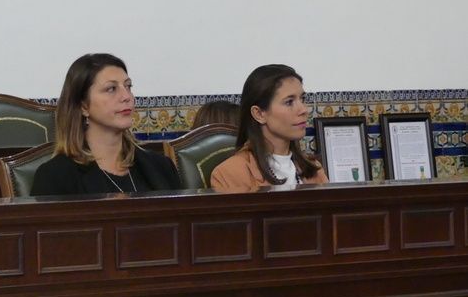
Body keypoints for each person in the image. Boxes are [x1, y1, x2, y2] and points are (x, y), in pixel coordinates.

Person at [31, 53, 180, 196]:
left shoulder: (161, 167)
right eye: (111, 89)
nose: (126, 97)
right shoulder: (54, 177)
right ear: (83, 106)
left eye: (128, 86)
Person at [210, 64, 328, 192]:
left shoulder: (314, 169)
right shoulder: (229, 174)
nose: (304, 110)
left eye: (302, 99)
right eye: (289, 102)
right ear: (259, 114)